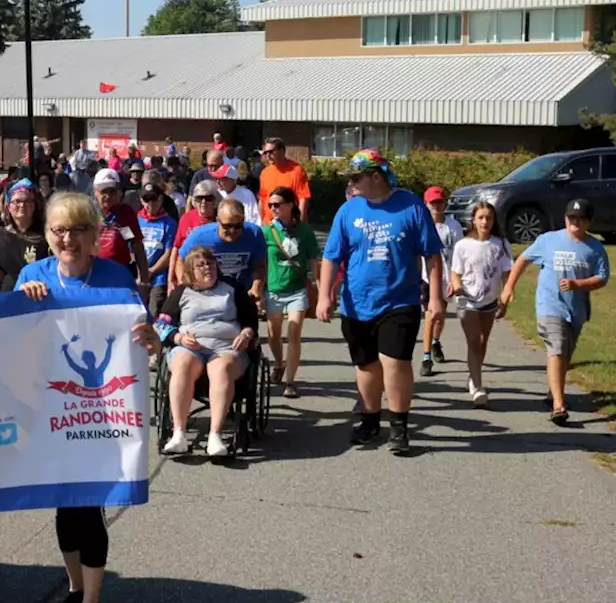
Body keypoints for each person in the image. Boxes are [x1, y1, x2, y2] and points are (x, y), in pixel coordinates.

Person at [15, 191, 159, 603]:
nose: (67, 238)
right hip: (50, 411)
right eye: (58, 230)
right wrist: (20, 304)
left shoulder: (116, 276)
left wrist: (151, 337)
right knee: (64, 508)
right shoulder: (32, 275)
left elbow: (140, 335)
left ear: (95, 235)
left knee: (89, 510)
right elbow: (7, 337)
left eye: (78, 229)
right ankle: (76, 588)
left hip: (102, 417)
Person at [317, 149, 443, 455]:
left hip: (400, 299)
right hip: (356, 303)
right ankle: (371, 420)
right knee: (367, 365)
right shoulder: (348, 211)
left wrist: (437, 297)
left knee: (395, 362)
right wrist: (324, 293)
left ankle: (399, 427)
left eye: (357, 176)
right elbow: (332, 256)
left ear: (376, 176)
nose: (352, 182)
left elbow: (432, 254)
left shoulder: (411, 206)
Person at [501, 198, 609, 424]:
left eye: (581, 218)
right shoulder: (548, 240)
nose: (575, 222)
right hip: (549, 305)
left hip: (576, 309)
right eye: (572, 217)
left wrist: (578, 285)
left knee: (566, 355)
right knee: (557, 349)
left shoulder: (595, 248)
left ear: (589, 221)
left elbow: (602, 278)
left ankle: (553, 391)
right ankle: (559, 406)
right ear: (565, 218)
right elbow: (522, 260)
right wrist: (509, 287)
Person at [156, 246, 259, 457]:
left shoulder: (232, 288)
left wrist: (247, 333)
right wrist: (178, 337)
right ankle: (178, 434)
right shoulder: (181, 293)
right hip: (190, 347)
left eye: (210, 263)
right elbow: (161, 324)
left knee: (221, 368)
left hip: (226, 348)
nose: (207, 268)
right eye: (200, 265)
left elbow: (251, 320)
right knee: (182, 363)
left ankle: (215, 436)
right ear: (190, 271)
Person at [449, 202, 513, 407]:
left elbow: (507, 273)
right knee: (473, 341)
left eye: (489, 218)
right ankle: (477, 386)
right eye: (481, 217)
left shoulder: (500, 244)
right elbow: (455, 273)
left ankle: (473, 374)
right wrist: (457, 287)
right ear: (473, 220)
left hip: (490, 300)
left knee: (483, 342)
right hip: (467, 300)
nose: (485, 221)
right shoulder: (463, 245)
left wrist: (505, 296)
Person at [263, 187, 321, 398]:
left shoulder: (305, 231)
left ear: (291, 205)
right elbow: (261, 264)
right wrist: (259, 290)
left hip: (297, 289)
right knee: (273, 334)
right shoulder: (266, 231)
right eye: (270, 205)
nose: (273, 208)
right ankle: (279, 364)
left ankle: (290, 381)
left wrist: (321, 289)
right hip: (274, 289)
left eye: (277, 204)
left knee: (294, 333)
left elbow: (314, 261)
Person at [181, 199, 267, 307]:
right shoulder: (199, 236)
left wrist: (256, 288)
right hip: (207, 296)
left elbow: (259, 265)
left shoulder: (254, 234)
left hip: (242, 294)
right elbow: (181, 260)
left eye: (237, 226)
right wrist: (185, 288)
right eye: (227, 226)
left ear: (243, 220)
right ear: (217, 220)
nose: (232, 231)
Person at [419, 186, 464, 378]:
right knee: (430, 315)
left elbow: (460, 254)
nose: (437, 206)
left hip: (447, 277)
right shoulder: (421, 224)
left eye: (440, 202)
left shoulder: (453, 226)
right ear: (426, 204)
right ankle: (426, 357)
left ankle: (436, 341)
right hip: (427, 277)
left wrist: (456, 279)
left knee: (441, 314)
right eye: (432, 203)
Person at [0, 181, 50, 294]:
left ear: (35, 205)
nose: (22, 205)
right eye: (17, 201)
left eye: (27, 201)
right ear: (8, 207)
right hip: (10, 299)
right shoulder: (1, 237)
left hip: (40, 296)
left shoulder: (46, 236)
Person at [92, 168, 150, 289]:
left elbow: (136, 245)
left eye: (113, 191)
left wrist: (144, 280)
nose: (108, 196)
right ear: (95, 192)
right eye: (104, 191)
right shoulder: (88, 213)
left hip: (120, 274)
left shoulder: (125, 213)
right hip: (93, 275)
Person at [170, 180, 222, 289]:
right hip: (189, 273)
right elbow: (177, 248)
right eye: (199, 198)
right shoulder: (186, 218)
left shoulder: (221, 220)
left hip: (212, 273)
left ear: (215, 201)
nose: (203, 202)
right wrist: (172, 279)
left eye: (208, 198)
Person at [137, 181, 178, 315]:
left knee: (154, 311)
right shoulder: (136, 219)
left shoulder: (169, 223)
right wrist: (141, 271)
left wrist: (152, 271)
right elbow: (131, 248)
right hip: (139, 275)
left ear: (160, 199)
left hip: (158, 277)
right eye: (146, 200)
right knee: (138, 312)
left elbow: (169, 252)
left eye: (153, 199)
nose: (150, 204)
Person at [258, 137, 312, 223]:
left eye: (271, 152)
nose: (267, 155)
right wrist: (262, 222)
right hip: (269, 225)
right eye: (265, 153)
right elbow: (262, 199)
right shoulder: (265, 173)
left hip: (290, 224)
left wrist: (300, 223)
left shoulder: (296, 170)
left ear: (282, 151)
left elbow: (303, 199)